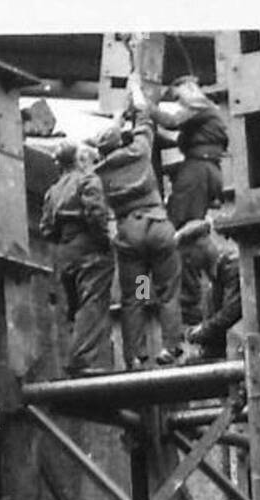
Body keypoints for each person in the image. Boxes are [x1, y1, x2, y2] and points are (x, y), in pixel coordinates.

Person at [94, 77, 183, 369]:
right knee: (167, 290)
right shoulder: (140, 152)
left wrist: (116, 121)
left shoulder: (100, 174)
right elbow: (146, 117)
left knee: (135, 297)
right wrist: (134, 91)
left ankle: (135, 354)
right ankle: (171, 347)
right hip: (157, 227)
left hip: (130, 236)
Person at [147, 74, 228, 326]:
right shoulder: (204, 115)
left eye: (179, 94)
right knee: (188, 233)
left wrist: (144, 106)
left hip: (140, 238)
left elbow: (170, 122)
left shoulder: (199, 105)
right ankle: (213, 274)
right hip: (202, 171)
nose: (179, 101)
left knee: (182, 239)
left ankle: (178, 312)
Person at [39, 139, 115, 377]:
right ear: (79, 160)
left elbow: (46, 229)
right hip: (89, 247)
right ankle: (82, 360)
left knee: (74, 308)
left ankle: (81, 358)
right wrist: (105, 241)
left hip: (65, 253)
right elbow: (96, 214)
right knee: (93, 303)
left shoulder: (52, 192)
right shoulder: (87, 180)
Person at [175, 218, 243, 360]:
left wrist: (142, 297)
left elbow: (231, 312)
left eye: (188, 256)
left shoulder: (228, 268)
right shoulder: (210, 275)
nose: (188, 262)